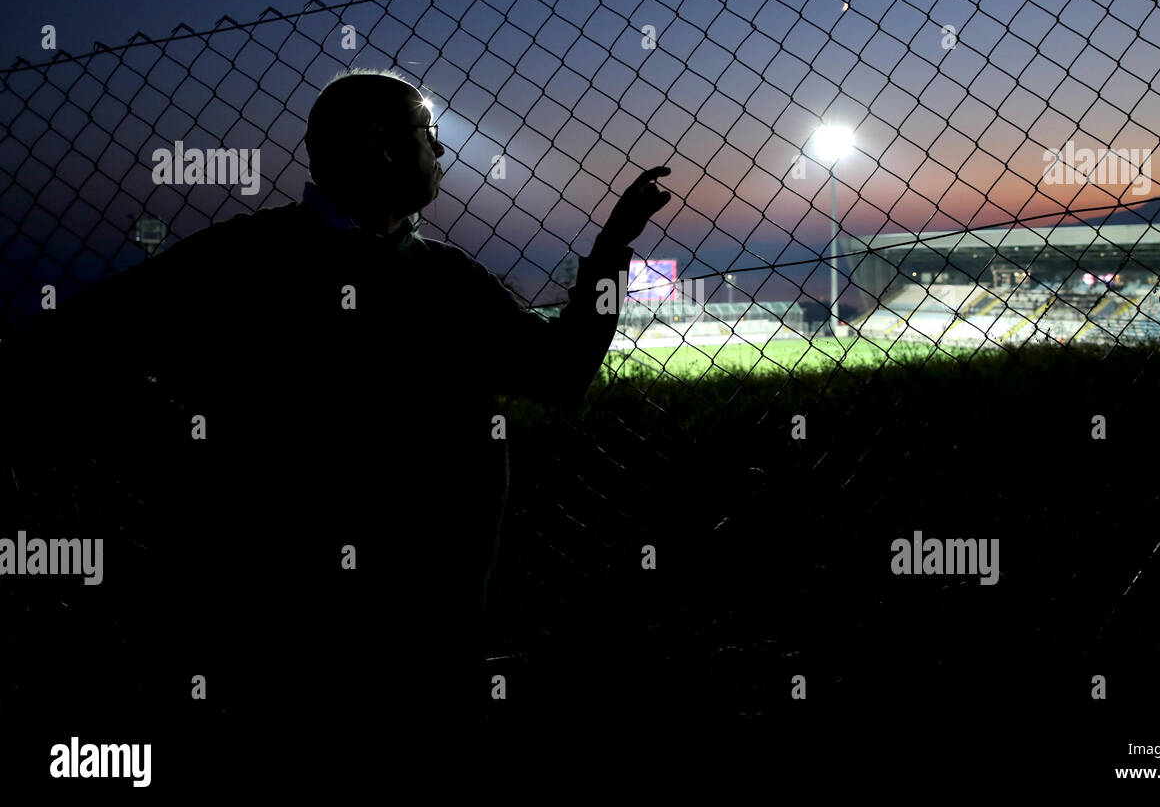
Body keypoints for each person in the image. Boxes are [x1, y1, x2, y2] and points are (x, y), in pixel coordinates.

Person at [1, 69, 671, 761]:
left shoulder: (397, 273)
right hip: (313, 637)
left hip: (416, 626)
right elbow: (67, 352)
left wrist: (614, 248)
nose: (440, 155)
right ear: (381, 147)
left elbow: (561, 371)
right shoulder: (258, 265)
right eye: (428, 137)